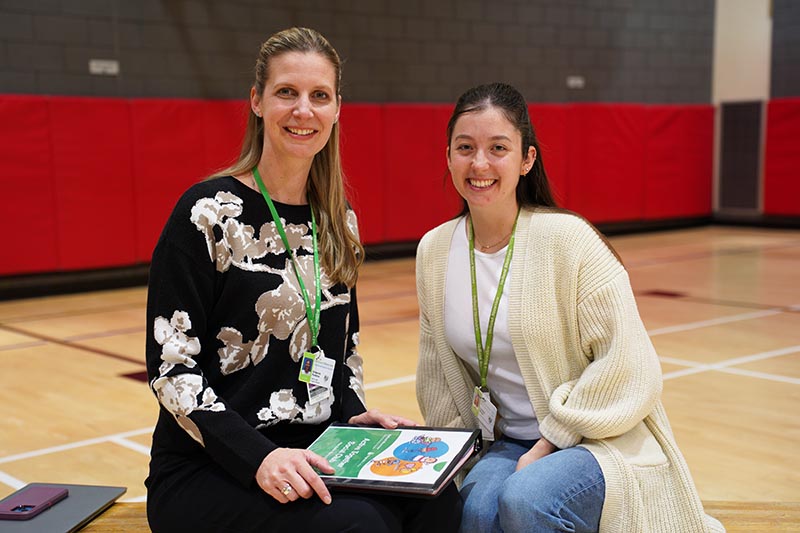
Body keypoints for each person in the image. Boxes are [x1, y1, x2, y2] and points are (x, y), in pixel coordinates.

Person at [144, 27, 461, 533]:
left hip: (313, 447)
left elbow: (343, 350)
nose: (303, 110)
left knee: (438, 499)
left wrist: (353, 415)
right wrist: (259, 458)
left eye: (319, 96)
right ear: (257, 101)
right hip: (210, 465)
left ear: (337, 110)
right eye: (287, 92)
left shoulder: (338, 220)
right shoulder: (206, 214)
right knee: (361, 525)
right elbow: (172, 369)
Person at [415, 82, 724, 533]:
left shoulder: (569, 241)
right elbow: (438, 377)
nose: (479, 164)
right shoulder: (434, 251)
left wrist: (550, 441)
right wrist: (453, 454)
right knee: (475, 512)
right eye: (465, 148)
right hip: (507, 441)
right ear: (448, 157)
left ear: (526, 160)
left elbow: (629, 364)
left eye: (498, 148)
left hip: (598, 437)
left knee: (527, 499)